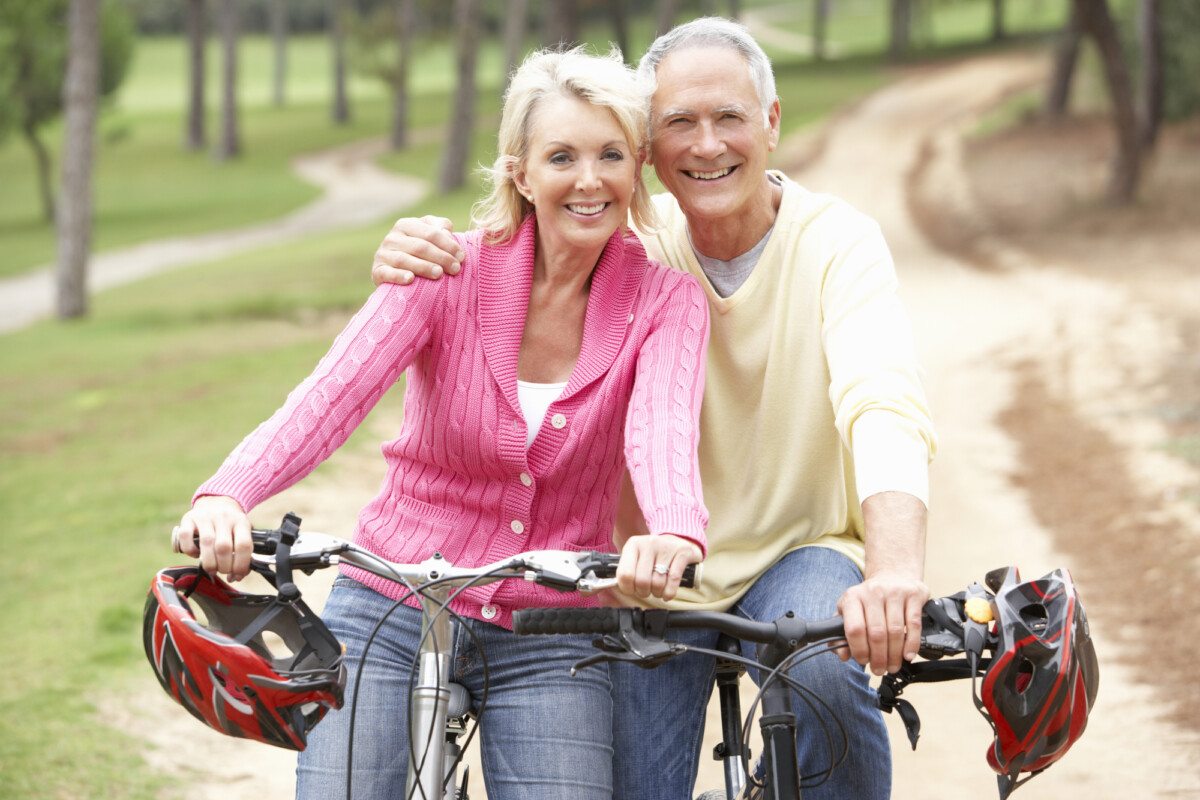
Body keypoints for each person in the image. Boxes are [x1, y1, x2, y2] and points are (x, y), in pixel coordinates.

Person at [369, 17, 936, 800]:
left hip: (797, 552)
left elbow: (883, 405)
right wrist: (416, 247)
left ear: (770, 122)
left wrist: (896, 570)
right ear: (646, 149)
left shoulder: (840, 244)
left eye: (729, 117)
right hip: (642, 576)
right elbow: (513, 255)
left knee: (825, 676)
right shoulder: (625, 244)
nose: (707, 145)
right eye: (678, 123)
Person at [173, 47, 711, 800]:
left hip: (549, 630)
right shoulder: (441, 272)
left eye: (610, 155)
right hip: (391, 597)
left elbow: (662, 433)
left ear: (638, 167)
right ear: (521, 171)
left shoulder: (667, 303)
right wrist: (226, 495)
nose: (589, 180)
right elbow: (329, 399)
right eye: (562, 156)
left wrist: (675, 530)